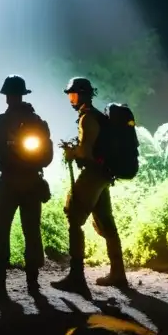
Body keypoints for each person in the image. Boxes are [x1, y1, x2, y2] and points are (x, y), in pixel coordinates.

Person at [51, 77, 129, 296]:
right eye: (70, 94)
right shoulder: (98, 117)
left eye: (73, 94)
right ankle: (118, 273)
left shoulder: (87, 118)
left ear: (83, 95)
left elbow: (86, 152)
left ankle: (76, 277)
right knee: (106, 222)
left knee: (74, 217)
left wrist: (71, 152)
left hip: (94, 174)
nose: (70, 99)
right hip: (104, 175)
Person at [0, 75, 52, 294]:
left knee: (1, 230)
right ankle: (33, 281)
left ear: (7, 97)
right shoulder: (37, 121)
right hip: (31, 182)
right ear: (22, 94)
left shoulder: (1, 121)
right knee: (32, 231)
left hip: (8, 182)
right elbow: (47, 157)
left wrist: (5, 149)